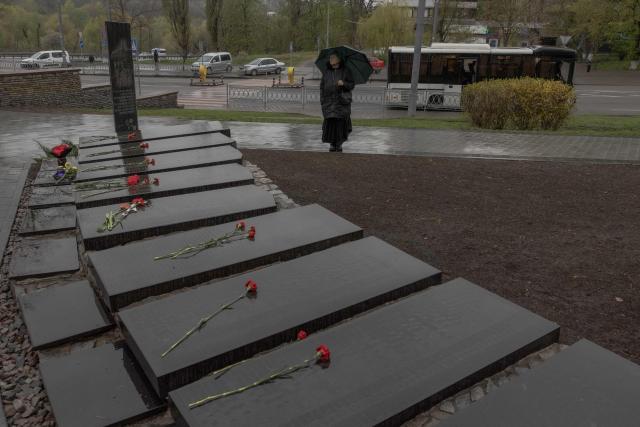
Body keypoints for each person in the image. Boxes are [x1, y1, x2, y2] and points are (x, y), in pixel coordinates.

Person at [320, 53, 355, 152]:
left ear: (339, 62)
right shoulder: (326, 72)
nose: (334, 66)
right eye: (332, 64)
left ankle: (339, 144)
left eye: (336, 64)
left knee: (340, 124)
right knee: (330, 124)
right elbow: (322, 87)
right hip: (329, 103)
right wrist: (322, 100)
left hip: (341, 103)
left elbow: (351, 85)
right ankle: (332, 144)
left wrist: (343, 84)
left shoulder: (346, 71)